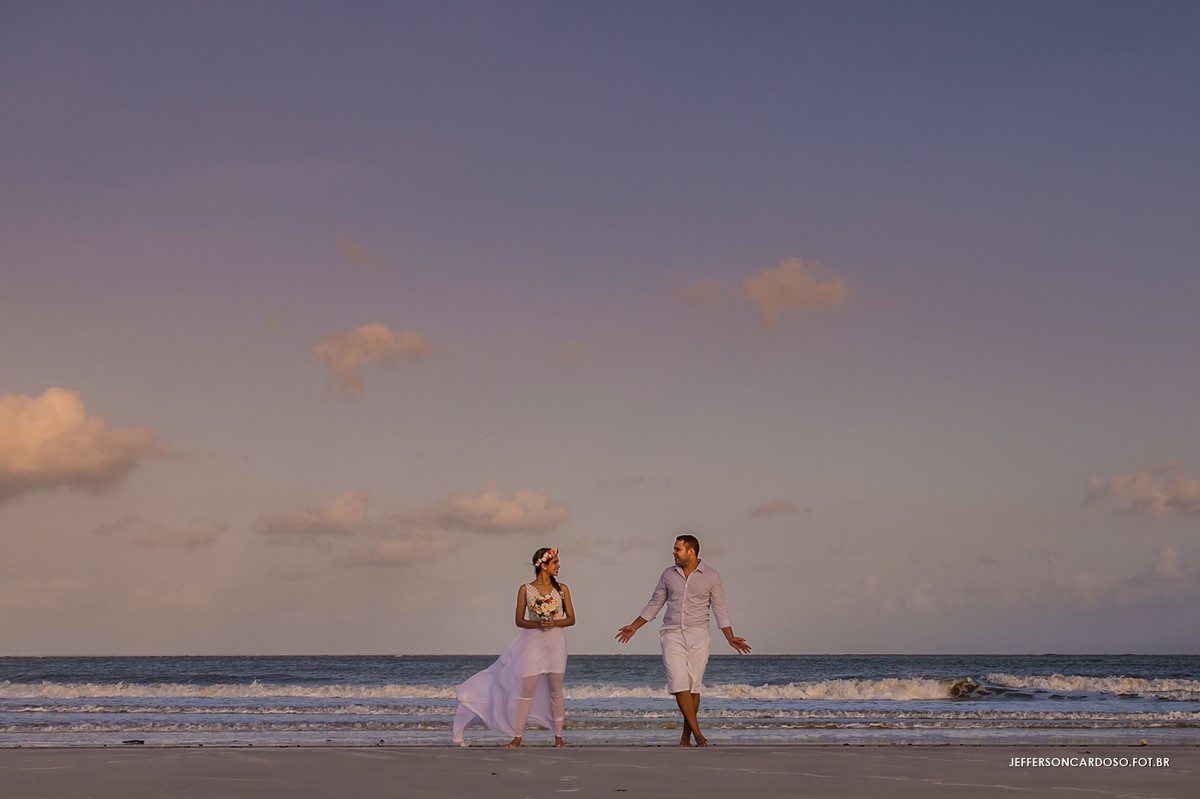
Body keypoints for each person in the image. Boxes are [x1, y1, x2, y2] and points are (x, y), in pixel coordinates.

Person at [615, 535, 750, 747]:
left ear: (691, 552)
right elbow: (655, 603)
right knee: (679, 684)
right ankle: (698, 734)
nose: (673, 553)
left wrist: (730, 637)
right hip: (672, 634)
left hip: (699, 635)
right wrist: (635, 626)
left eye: (677, 549)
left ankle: (686, 737)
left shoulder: (711, 576)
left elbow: (720, 609)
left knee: (693, 687)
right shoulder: (668, 575)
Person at [453, 547, 575, 747]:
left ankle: (559, 738)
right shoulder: (525, 589)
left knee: (556, 691)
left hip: (556, 645)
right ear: (543, 565)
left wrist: (554, 622)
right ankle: (517, 737)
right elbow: (519, 620)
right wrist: (538, 623)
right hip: (533, 644)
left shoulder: (562, 589)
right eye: (555, 562)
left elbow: (571, 619)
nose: (559, 566)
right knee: (526, 691)